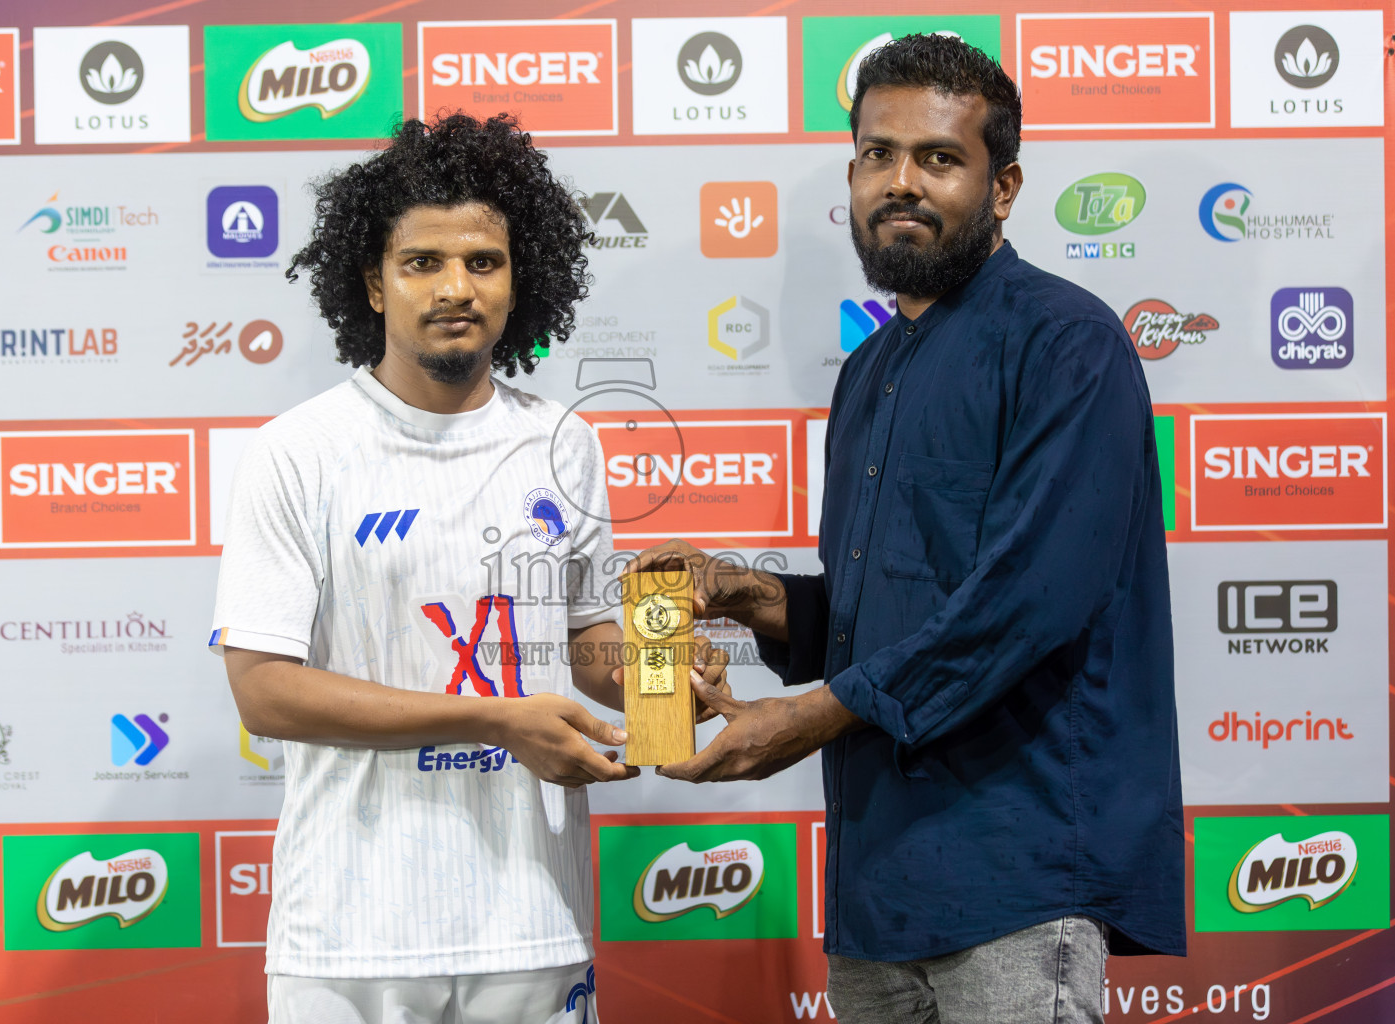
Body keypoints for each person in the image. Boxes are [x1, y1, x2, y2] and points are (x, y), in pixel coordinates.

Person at [628, 34, 1184, 1024]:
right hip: (876, 896)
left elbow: (1024, 603)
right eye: (880, 155)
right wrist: (751, 594)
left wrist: (810, 719)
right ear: (852, 177)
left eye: (939, 158)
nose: (903, 182)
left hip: (1016, 878)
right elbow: (876, 612)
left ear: (1003, 185)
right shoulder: (871, 370)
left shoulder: (1069, 343)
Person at [209, 113, 727, 1024]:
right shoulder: (298, 451)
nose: (457, 288)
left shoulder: (563, 442)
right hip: (349, 938)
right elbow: (265, 694)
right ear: (372, 283)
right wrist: (494, 716)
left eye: (483, 262)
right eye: (423, 263)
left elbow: (581, 643)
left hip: (533, 919)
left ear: (519, 279)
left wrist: (664, 677)